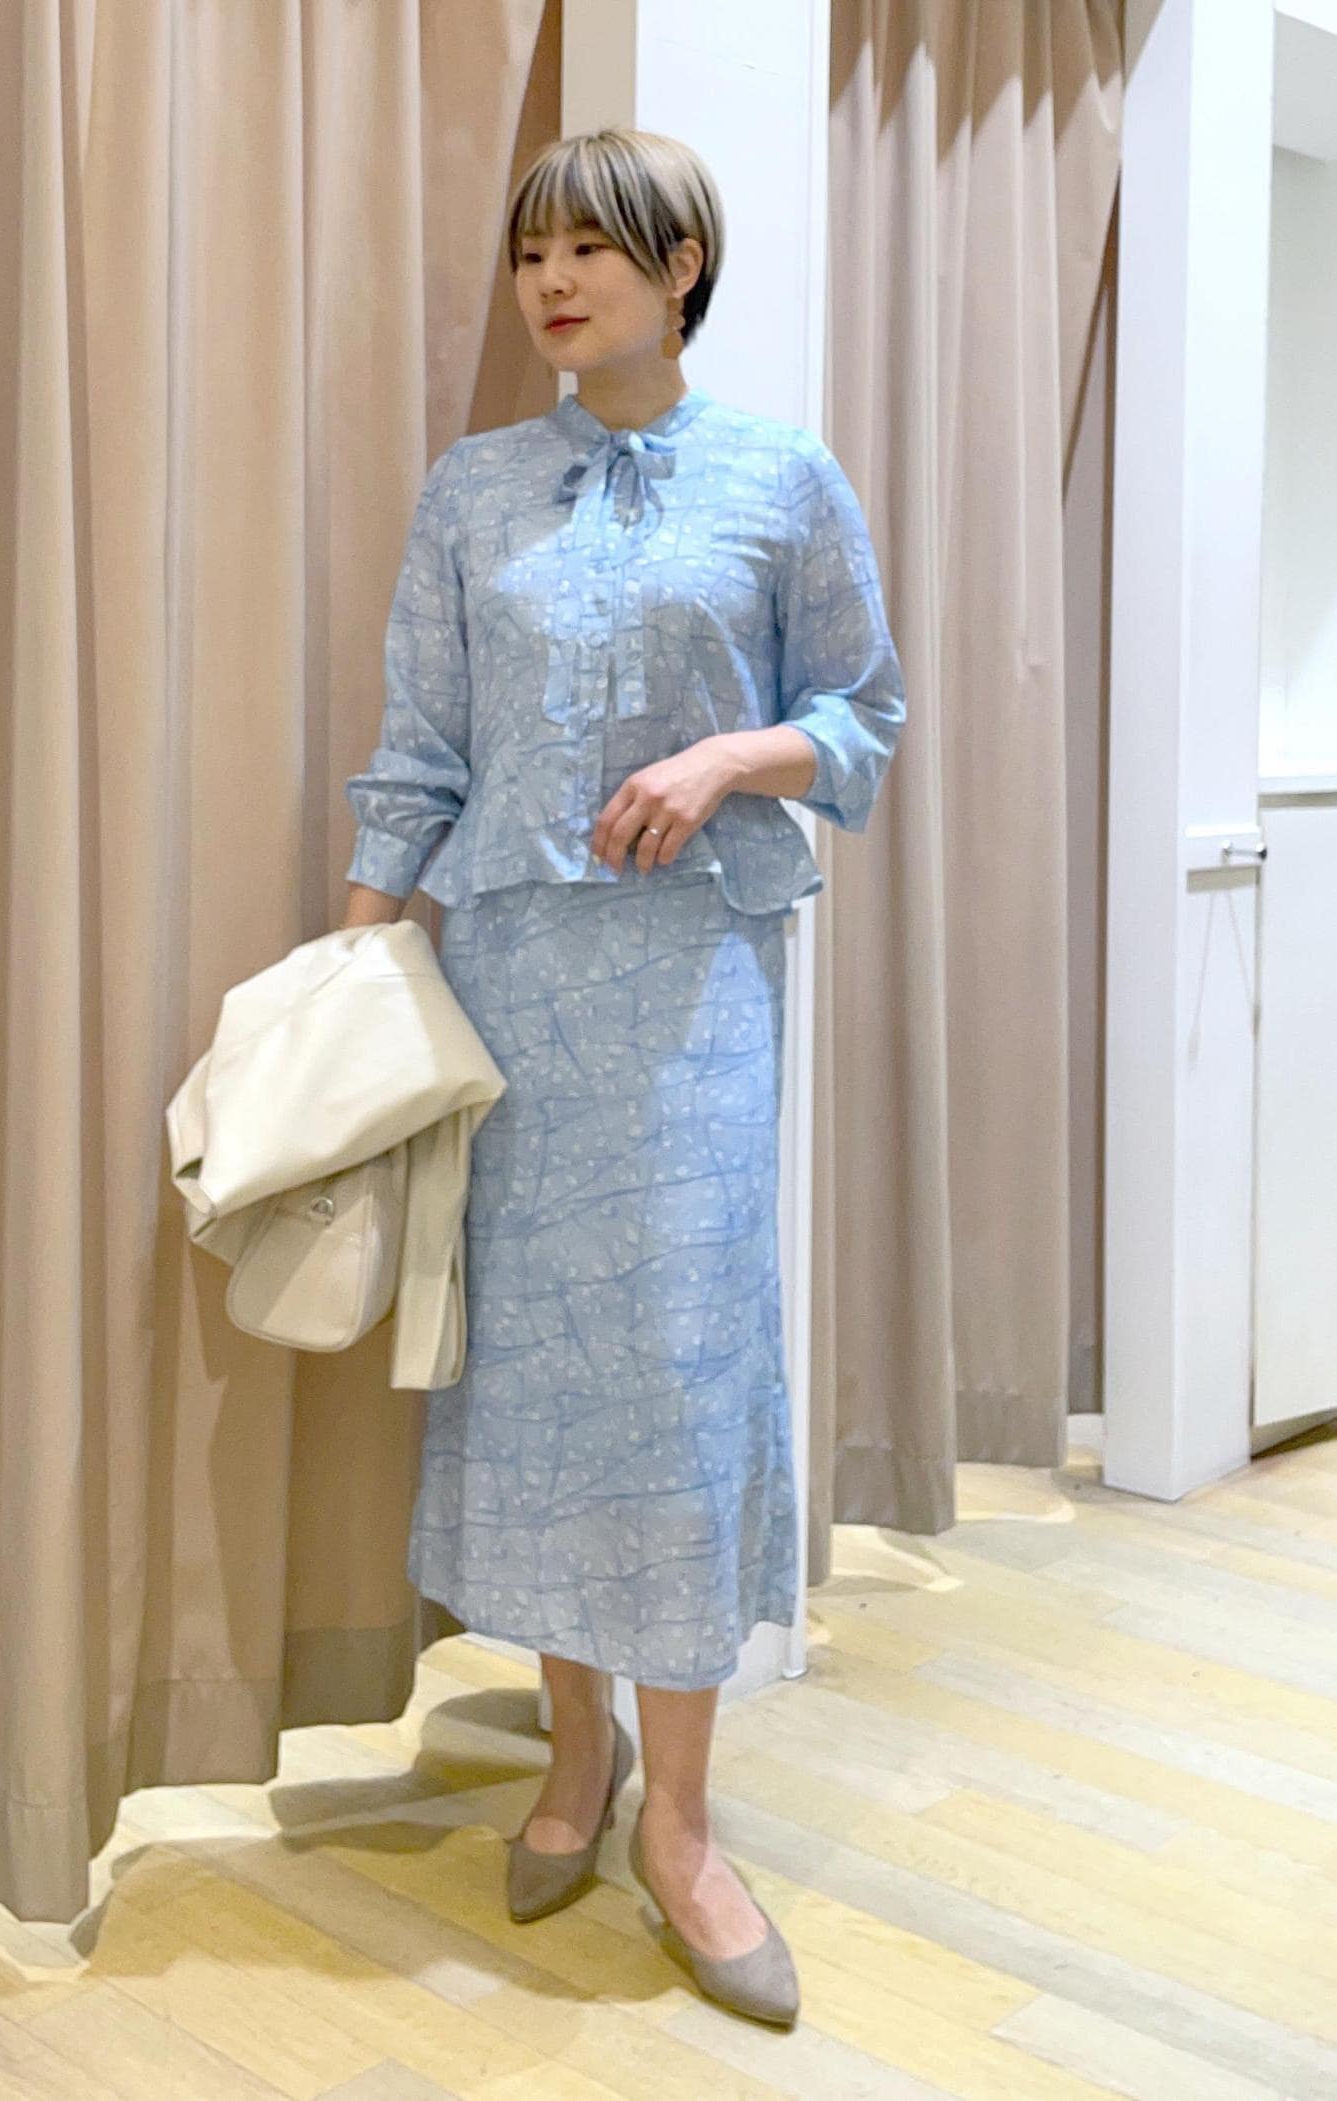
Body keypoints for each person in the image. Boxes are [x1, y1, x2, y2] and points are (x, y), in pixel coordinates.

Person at [341, 126, 904, 2028]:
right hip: (509, 981)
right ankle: (573, 1752)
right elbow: (420, 744)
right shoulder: (474, 489)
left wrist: (729, 757)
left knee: (672, 1370)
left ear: (682, 272)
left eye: (595, 247)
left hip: (692, 990)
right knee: (533, 1378)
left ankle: (685, 1820)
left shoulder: (784, 478)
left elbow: (865, 718)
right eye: (534, 252)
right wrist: (358, 963)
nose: (555, 280)